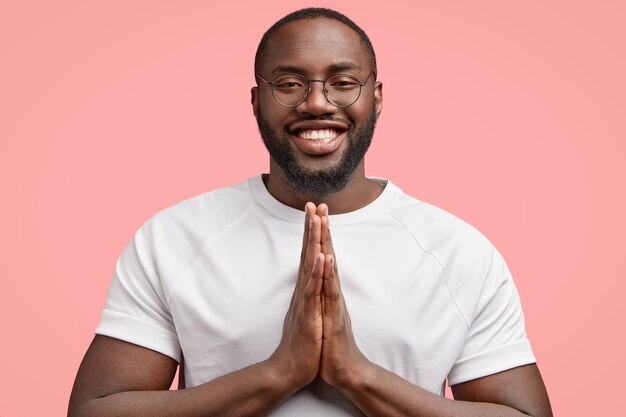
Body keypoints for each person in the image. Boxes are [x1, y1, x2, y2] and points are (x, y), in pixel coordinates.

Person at [68, 7, 552, 417]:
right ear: (257, 101)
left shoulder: (458, 250)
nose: (317, 102)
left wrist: (356, 374)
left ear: (376, 98)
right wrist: (279, 373)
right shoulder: (174, 238)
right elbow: (94, 409)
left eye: (343, 82)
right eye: (290, 82)